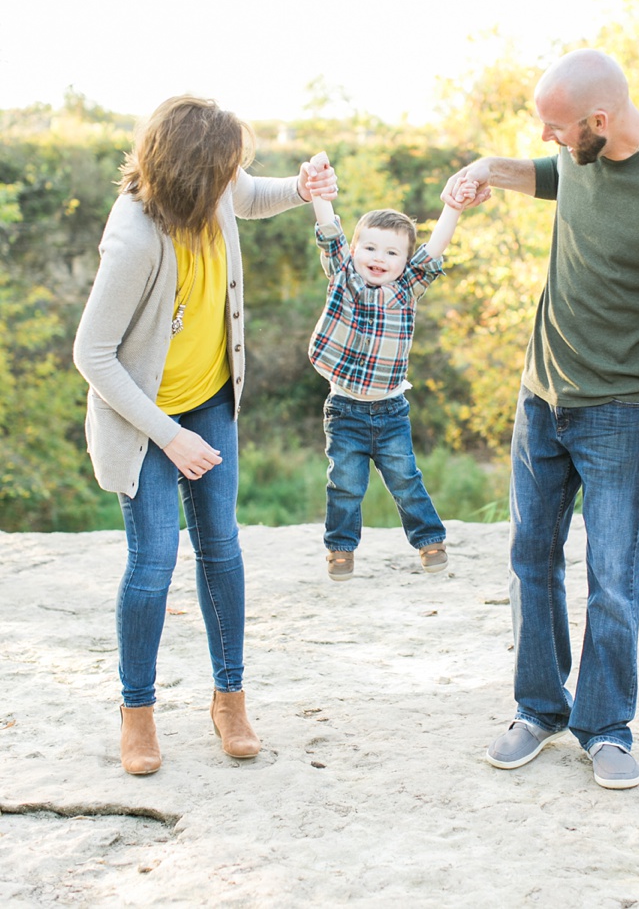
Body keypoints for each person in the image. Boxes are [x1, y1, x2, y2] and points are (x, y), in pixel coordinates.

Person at [444, 49, 639, 789]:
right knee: (530, 560)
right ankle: (538, 709)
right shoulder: (578, 151)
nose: (548, 140)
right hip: (540, 400)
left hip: (620, 416)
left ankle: (604, 727)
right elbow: (550, 177)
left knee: (612, 579)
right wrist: (485, 168)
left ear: (597, 122)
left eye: (555, 129)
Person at [73, 95, 337, 776]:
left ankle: (230, 700)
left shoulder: (215, 192)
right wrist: (169, 437)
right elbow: (92, 354)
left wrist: (302, 190)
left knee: (221, 547)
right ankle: (138, 713)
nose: (234, 179)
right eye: (225, 170)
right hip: (146, 420)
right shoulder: (135, 237)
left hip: (211, 398)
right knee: (154, 561)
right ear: (193, 177)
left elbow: (252, 196)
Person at [305, 152, 483, 581]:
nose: (378, 257)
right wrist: (318, 190)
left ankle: (429, 540)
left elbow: (435, 249)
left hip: (390, 411)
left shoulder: (406, 290)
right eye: (369, 247)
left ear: (405, 262)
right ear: (354, 250)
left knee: (405, 478)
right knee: (345, 484)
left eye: (390, 252)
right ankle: (341, 549)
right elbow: (329, 233)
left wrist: (452, 208)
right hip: (345, 408)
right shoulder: (344, 277)